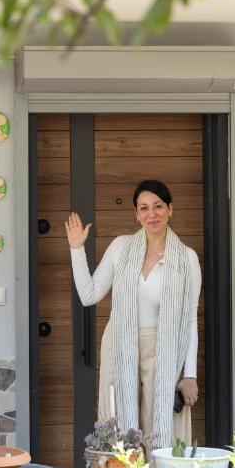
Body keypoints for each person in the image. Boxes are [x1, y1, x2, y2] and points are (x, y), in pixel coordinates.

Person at [65, 179, 201, 451]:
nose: (152, 214)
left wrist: (190, 375)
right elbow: (89, 294)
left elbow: (190, 319)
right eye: (144, 208)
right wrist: (77, 248)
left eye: (158, 206)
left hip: (164, 348)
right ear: (136, 214)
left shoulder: (187, 258)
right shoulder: (120, 247)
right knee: (118, 422)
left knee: (158, 425)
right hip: (119, 343)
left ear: (170, 210)